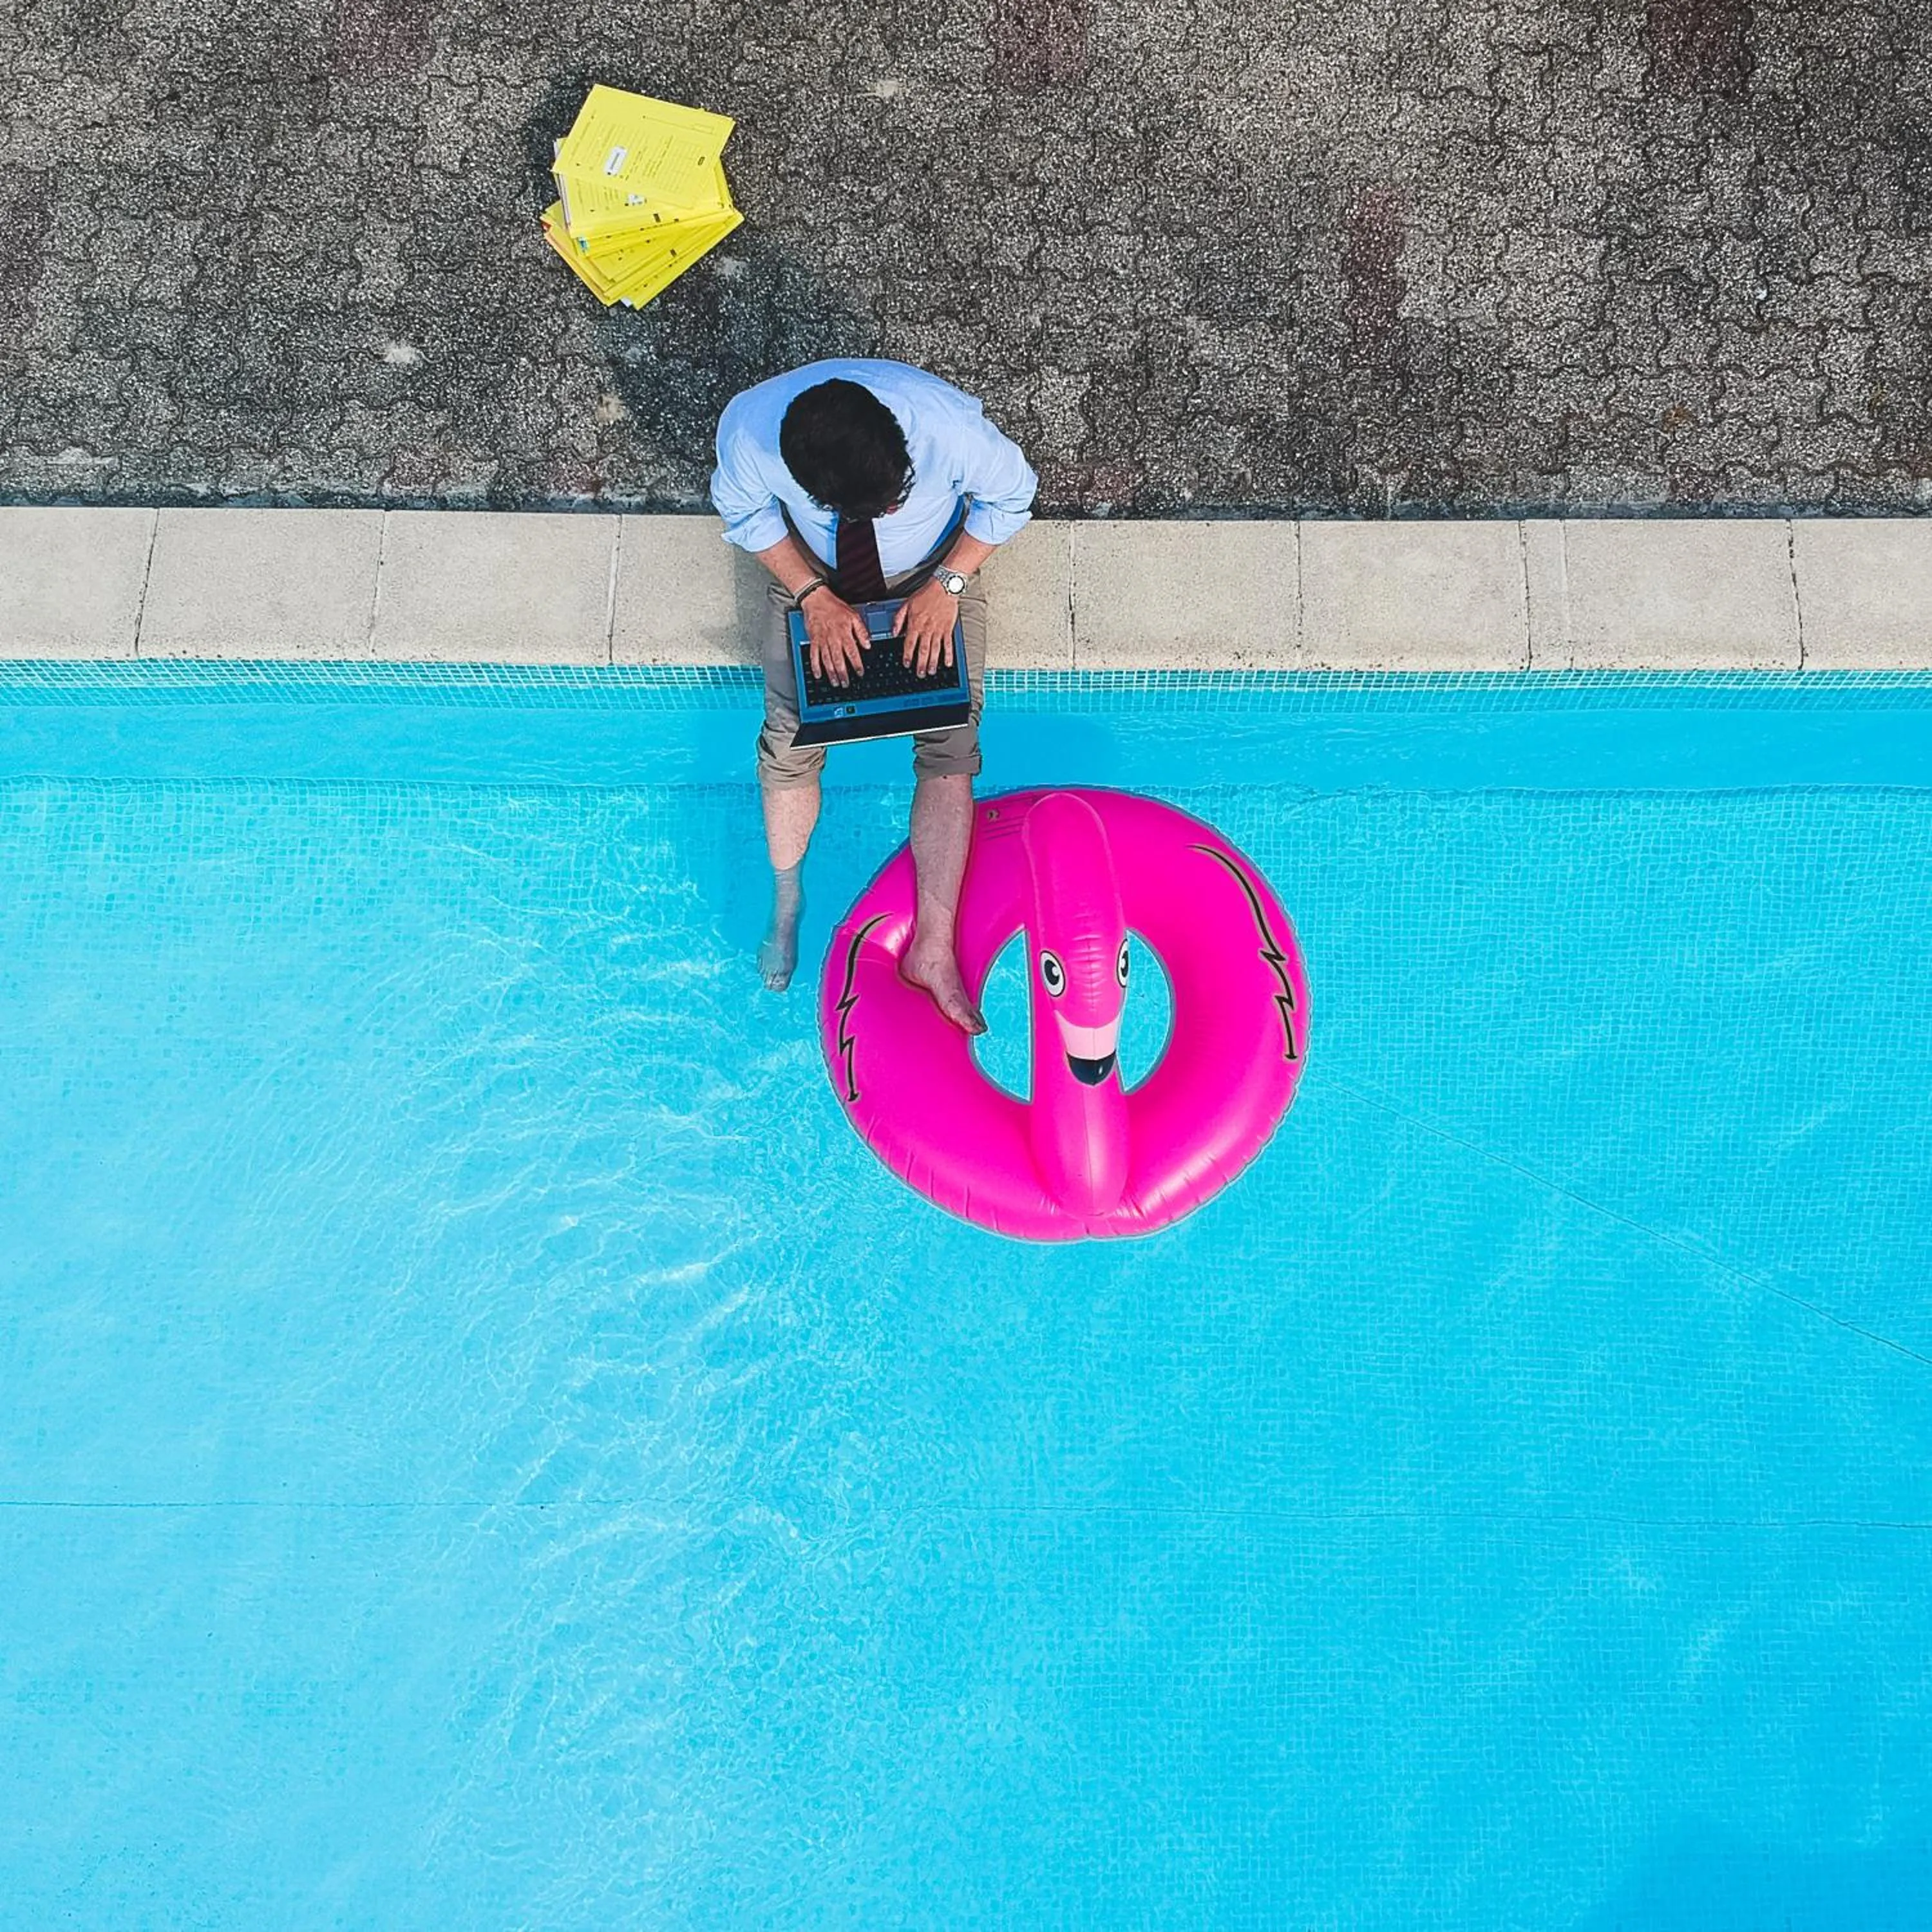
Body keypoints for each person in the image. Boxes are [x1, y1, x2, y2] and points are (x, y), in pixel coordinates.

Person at [710, 359, 1038, 1034]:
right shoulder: (749, 435)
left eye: (896, 499)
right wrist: (811, 594)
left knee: (951, 744)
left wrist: (947, 585)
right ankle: (787, 899)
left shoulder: (947, 427)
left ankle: (934, 946)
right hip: (818, 574)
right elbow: (744, 513)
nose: (888, 513)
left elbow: (1012, 498)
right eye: (871, 512)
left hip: (932, 571)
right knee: (790, 743)